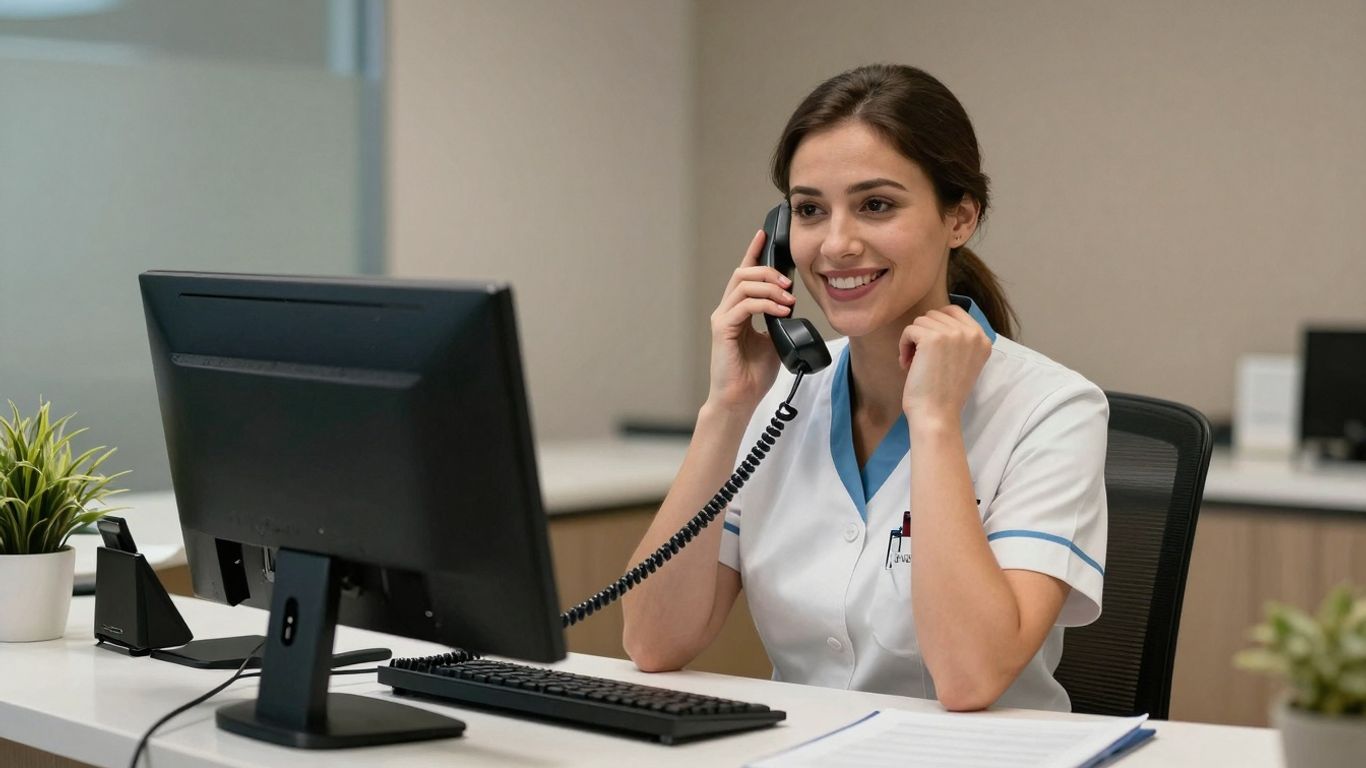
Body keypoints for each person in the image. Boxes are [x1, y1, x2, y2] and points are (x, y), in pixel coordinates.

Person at [620, 64, 1108, 713]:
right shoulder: (778, 399)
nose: (837, 244)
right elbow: (655, 642)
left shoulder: (1052, 409)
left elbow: (969, 679)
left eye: (876, 205)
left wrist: (933, 424)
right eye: (809, 211)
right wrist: (726, 407)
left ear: (959, 217)